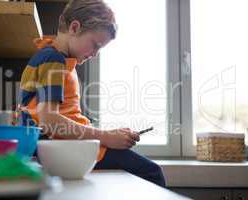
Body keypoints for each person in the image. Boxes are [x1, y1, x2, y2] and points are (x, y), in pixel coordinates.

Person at [19, 0, 166, 187]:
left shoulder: (50, 56)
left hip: (62, 145)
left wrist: (109, 135)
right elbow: (49, 121)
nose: (95, 54)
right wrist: (106, 137)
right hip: (63, 147)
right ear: (74, 27)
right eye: (95, 45)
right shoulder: (54, 59)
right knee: (152, 172)